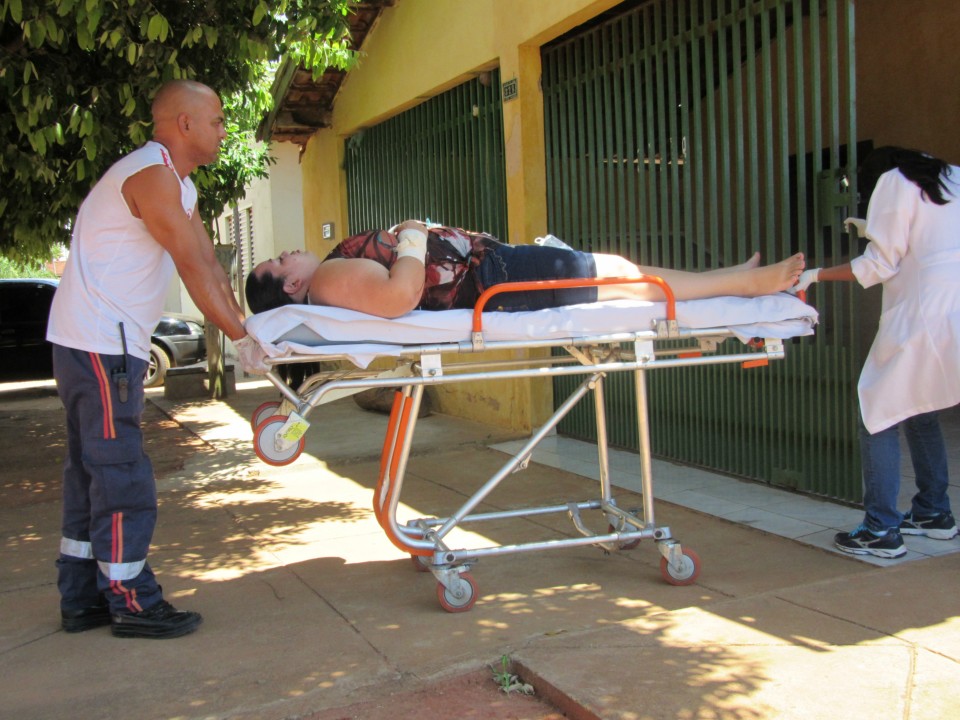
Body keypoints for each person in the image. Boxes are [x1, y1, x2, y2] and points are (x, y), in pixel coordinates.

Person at [46, 80, 269, 639]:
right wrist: (243, 338)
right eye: (217, 120)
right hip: (100, 345)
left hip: (90, 342)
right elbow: (192, 270)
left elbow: (211, 266)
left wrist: (247, 331)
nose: (224, 130)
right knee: (120, 474)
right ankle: (132, 601)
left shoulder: (178, 184)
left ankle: (83, 597)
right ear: (184, 124)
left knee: (92, 472)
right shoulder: (151, 176)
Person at [793, 146, 960, 558]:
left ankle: (880, 530)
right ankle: (934, 513)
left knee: (876, 412)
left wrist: (815, 274)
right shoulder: (951, 177)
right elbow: (931, 236)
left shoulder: (894, 180)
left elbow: (879, 265)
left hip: (921, 319)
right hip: (952, 314)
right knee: (921, 409)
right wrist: (873, 227)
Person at [244, 220, 806, 317]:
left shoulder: (329, 279)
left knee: (621, 275)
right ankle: (745, 283)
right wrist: (413, 232)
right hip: (495, 280)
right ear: (290, 283)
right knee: (622, 278)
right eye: (281, 259)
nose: (289, 251)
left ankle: (734, 279)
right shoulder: (327, 278)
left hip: (494, 274)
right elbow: (399, 296)